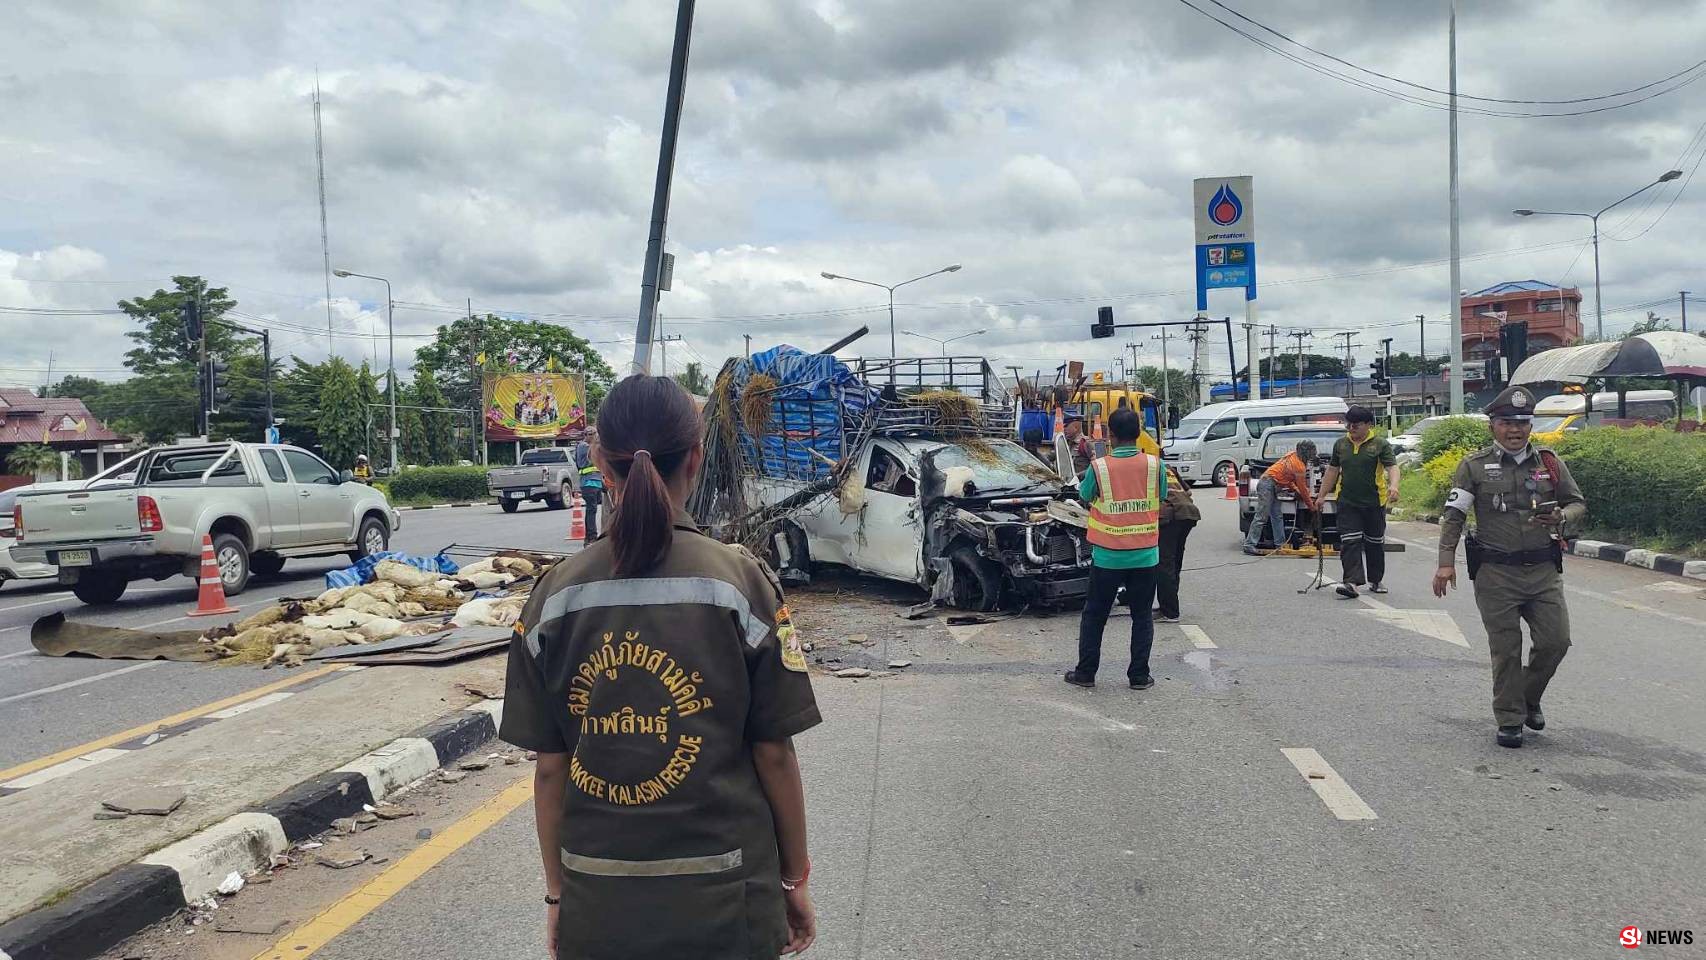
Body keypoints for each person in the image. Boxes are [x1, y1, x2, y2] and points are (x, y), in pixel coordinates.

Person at [501, 376, 821, 958]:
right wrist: (794, 880)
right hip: (728, 900)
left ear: (599, 462)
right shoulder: (740, 582)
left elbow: (551, 770)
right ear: (696, 457)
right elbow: (773, 752)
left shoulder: (553, 595)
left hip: (598, 904)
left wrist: (558, 898)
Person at [1433, 385, 1586, 749]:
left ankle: (1528, 697)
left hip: (1543, 572)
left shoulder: (1549, 463)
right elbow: (1454, 516)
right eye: (1506, 422)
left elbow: (1577, 504)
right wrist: (1444, 564)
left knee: (1556, 641)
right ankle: (1510, 718)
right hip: (1496, 574)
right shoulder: (1473, 466)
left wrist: (1562, 516)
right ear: (1492, 426)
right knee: (1506, 648)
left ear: (1530, 426)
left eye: (1521, 422)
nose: (1514, 430)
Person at [1065, 407, 1165, 690]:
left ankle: (1085, 674)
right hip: (1146, 555)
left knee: (1095, 615)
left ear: (1110, 435)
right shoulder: (1155, 465)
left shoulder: (1099, 468)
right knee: (1142, 616)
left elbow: (1084, 497)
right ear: (1137, 434)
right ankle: (1139, 676)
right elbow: (1162, 496)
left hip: (1108, 556)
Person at [1318, 406, 1399, 597]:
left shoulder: (1379, 444)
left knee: (1374, 542)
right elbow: (1332, 471)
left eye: (1356, 424)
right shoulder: (1341, 445)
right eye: (1349, 424)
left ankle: (1376, 580)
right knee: (1350, 542)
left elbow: (1392, 467)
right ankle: (1351, 583)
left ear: (1368, 424)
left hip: (1374, 502)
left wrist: (1394, 486)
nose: (1351, 427)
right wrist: (1321, 496)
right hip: (1347, 501)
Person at [1242, 440, 1317, 555]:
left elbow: (1288, 478)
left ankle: (1280, 544)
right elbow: (1303, 490)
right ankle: (1249, 545)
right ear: (1306, 452)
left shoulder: (1292, 455)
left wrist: (1296, 490)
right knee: (1262, 516)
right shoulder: (1299, 466)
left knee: (1277, 516)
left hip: (1270, 484)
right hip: (1267, 484)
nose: (1312, 456)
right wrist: (1312, 507)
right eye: (1311, 453)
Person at [1154, 464, 1200, 623]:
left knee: (1164, 564)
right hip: (1188, 513)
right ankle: (1168, 606)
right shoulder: (1166, 467)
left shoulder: (1145, 468)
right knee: (1174, 562)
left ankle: (1170, 611)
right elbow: (1188, 491)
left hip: (1170, 516)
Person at [574, 430, 604, 542]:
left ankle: (593, 536)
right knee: (592, 509)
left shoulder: (591, 446)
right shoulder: (583, 446)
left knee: (594, 509)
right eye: (592, 434)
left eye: (595, 434)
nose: (594, 436)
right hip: (588, 483)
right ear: (586, 435)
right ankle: (591, 537)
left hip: (597, 482)